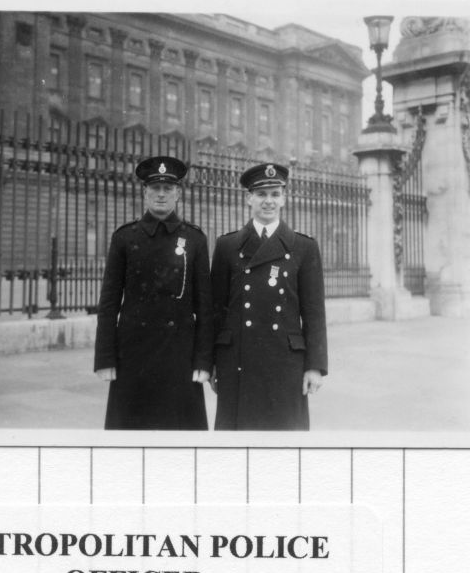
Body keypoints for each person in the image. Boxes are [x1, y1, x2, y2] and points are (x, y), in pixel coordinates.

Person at [94, 156, 213, 430]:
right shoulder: (125, 237)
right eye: (155, 188)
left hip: (179, 356)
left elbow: (205, 306)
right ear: (145, 192)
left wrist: (203, 361)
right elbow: (109, 302)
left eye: (168, 189)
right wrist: (105, 358)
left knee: (181, 440)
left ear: (178, 194)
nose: (161, 194)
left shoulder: (195, 239)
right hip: (133, 354)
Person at [210, 162, 327, 430]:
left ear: (284, 198)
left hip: (285, 362)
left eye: (275, 194)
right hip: (237, 360)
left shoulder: (304, 247)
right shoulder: (227, 246)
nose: (268, 201)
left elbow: (314, 313)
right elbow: (215, 311)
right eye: (261, 194)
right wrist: (213, 362)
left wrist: (315, 366)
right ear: (248, 198)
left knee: (284, 446)